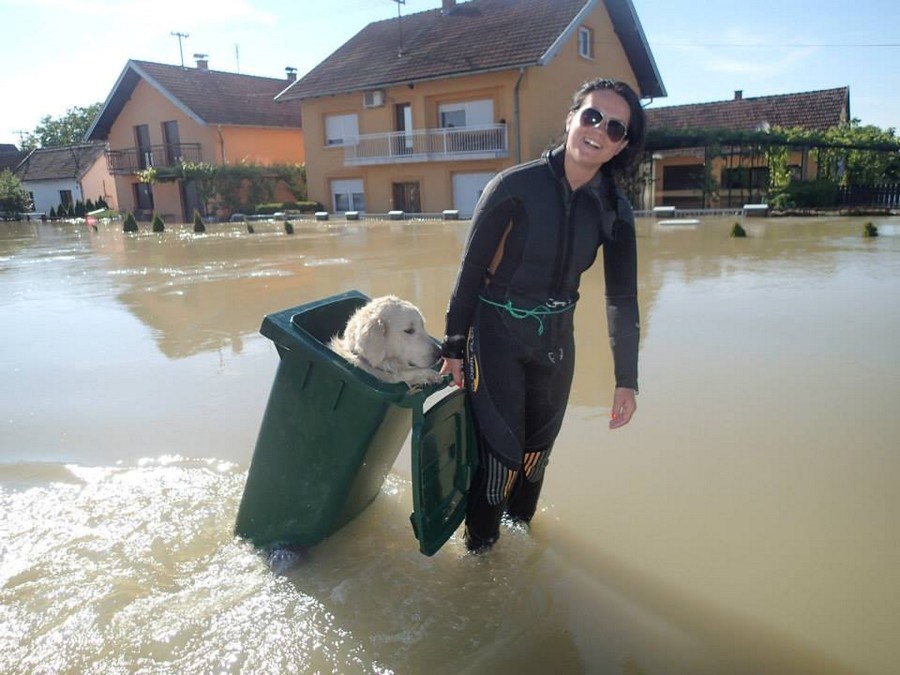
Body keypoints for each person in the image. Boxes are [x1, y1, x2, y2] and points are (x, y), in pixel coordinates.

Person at [439, 77, 645, 553]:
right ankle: (480, 557)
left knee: (536, 457)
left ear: (620, 147)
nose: (599, 130)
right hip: (494, 333)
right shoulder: (513, 187)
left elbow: (621, 298)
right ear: (571, 119)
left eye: (614, 128)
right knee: (501, 457)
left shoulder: (614, 211)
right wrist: (453, 347)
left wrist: (626, 379)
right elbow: (469, 271)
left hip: (555, 340)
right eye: (592, 116)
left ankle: (521, 550)